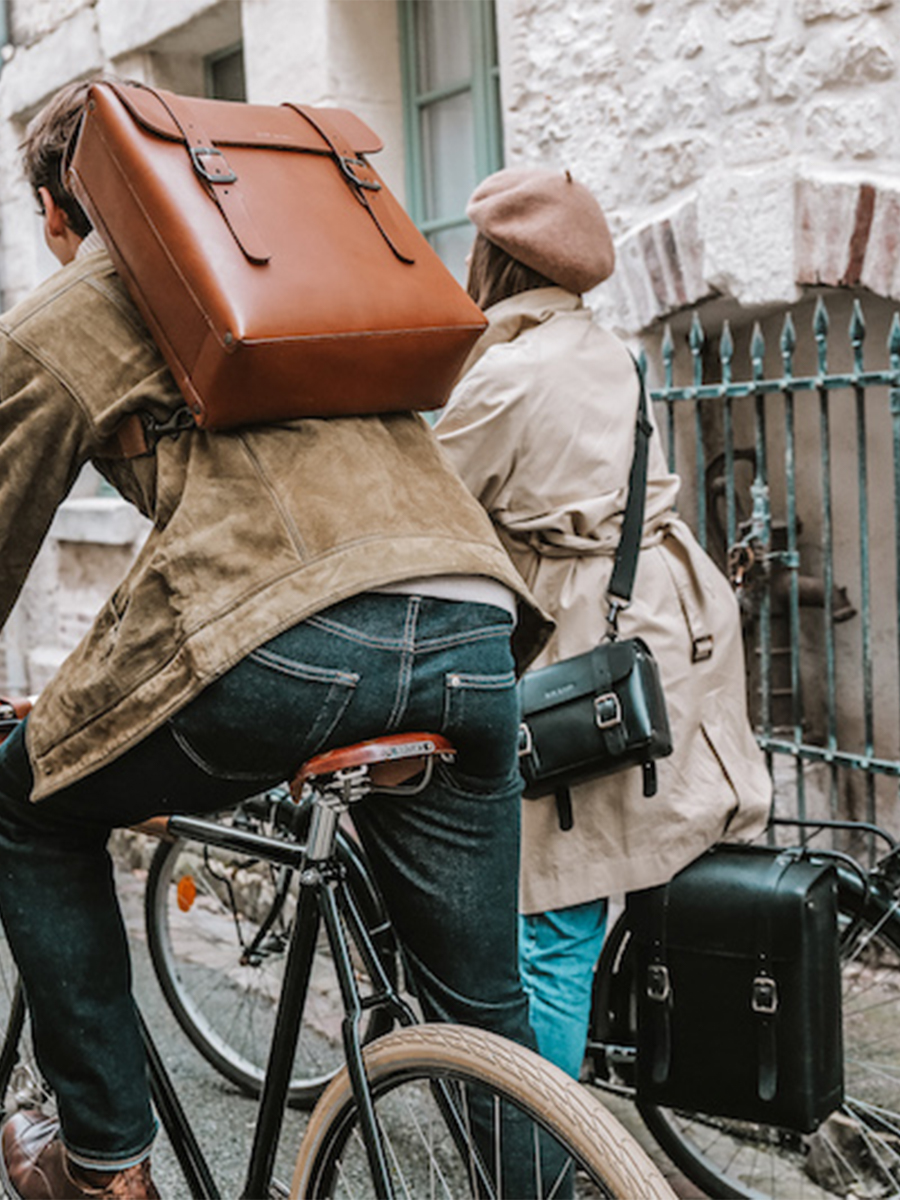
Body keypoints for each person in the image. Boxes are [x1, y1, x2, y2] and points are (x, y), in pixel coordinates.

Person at [0, 84, 553, 1199]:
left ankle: (105, 1163)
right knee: (485, 1013)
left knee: (24, 807)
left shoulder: (83, 296)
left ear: (64, 209)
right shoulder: (291, 249)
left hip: (290, 634)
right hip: (473, 621)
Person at [436, 167, 772, 1081]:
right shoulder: (608, 350)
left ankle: (545, 1153)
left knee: (553, 917)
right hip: (665, 617)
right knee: (630, 866)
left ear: (493, 260)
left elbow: (431, 508)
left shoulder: (507, 373)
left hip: (581, 632)